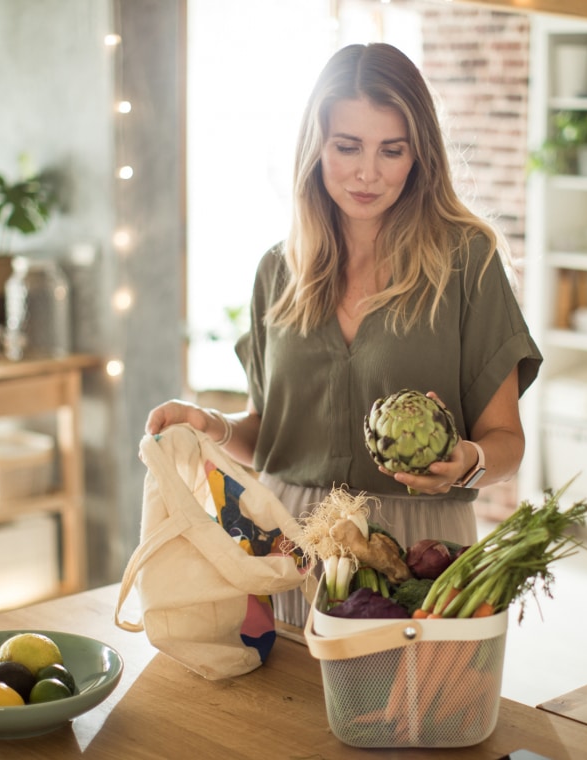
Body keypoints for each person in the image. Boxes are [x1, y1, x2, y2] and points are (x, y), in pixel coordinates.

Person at [146, 42, 541, 626]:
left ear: (419, 155)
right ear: (316, 147)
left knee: (411, 715)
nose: (366, 172)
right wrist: (211, 425)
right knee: (286, 710)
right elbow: (270, 435)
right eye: (347, 146)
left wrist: (468, 463)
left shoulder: (466, 262)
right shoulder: (277, 271)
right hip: (291, 543)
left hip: (419, 549)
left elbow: (507, 442)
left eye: (392, 150)